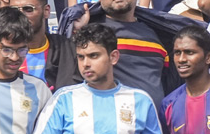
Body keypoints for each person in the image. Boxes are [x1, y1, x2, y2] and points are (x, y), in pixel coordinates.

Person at [34, 23, 162, 134]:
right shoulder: (63, 99)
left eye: (93, 56)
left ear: (113, 57)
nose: (85, 64)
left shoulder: (140, 100)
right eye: (81, 57)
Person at [161, 25, 210, 134]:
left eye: (189, 52)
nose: (181, 59)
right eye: (177, 53)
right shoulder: (168, 104)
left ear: (208, 57)